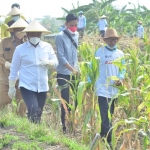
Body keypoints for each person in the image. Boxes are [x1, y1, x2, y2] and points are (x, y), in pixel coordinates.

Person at [8, 20, 58, 123]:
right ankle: (34, 130)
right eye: (32, 33)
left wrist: (49, 62)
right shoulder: (20, 49)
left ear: (41, 34)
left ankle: (34, 133)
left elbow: (55, 62)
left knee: (38, 112)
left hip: (42, 86)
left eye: (37, 34)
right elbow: (14, 68)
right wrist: (11, 86)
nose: (35, 36)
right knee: (34, 110)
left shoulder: (47, 47)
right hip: (27, 86)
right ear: (27, 34)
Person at [95, 28, 126, 147]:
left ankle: (102, 136)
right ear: (105, 40)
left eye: (114, 39)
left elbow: (123, 68)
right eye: (110, 39)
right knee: (106, 117)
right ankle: (109, 144)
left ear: (117, 40)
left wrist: (121, 78)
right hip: (102, 89)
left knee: (110, 115)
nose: (112, 41)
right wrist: (90, 82)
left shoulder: (120, 54)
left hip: (114, 90)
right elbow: (93, 68)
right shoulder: (99, 52)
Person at [55, 13, 79, 133]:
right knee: (65, 100)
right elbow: (61, 57)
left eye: (76, 25)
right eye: (71, 25)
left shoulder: (77, 35)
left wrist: (77, 69)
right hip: (64, 73)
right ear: (66, 24)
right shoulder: (59, 37)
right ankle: (64, 127)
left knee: (77, 98)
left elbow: (75, 55)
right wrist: (72, 69)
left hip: (75, 72)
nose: (74, 27)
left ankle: (73, 123)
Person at [0, 18, 28, 116]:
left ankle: (20, 125)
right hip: (6, 76)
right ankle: (3, 121)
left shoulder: (28, 44)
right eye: (18, 29)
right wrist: (6, 63)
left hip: (22, 78)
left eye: (23, 29)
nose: (20, 32)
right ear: (14, 31)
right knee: (3, 101)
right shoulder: (4, 42)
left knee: (22, 106)